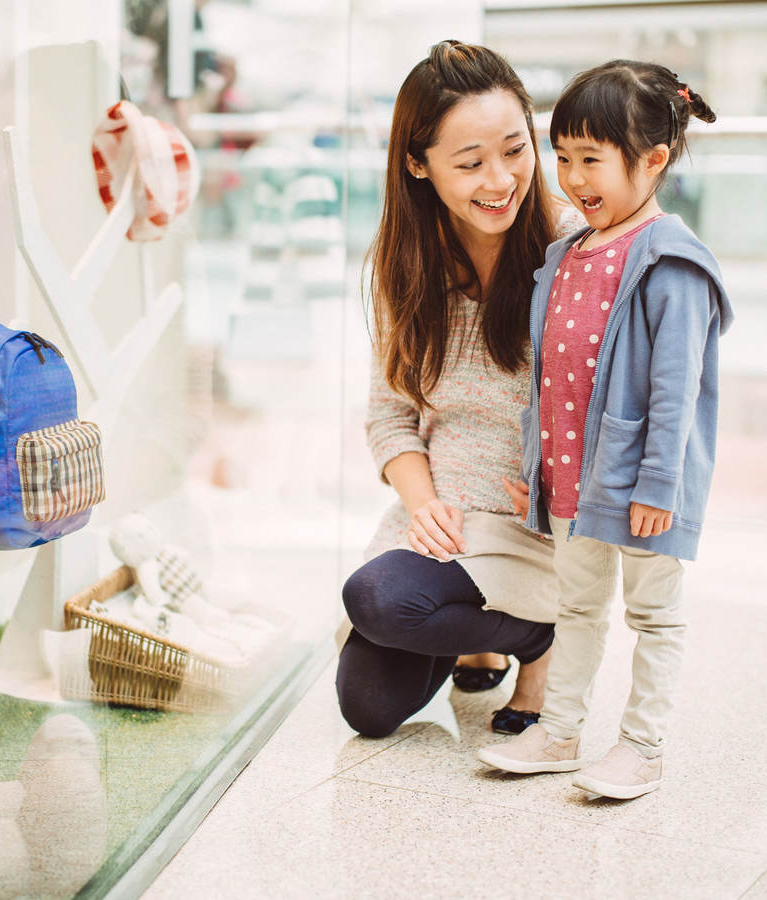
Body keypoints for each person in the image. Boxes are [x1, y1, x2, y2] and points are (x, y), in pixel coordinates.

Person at [476, 60, 732, 799]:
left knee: (654, 612)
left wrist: (659, 483)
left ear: (652, 160)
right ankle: (559, 733)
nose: (572, 177)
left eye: (592, 159)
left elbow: (676, 389)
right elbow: (549, 380)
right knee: (578, 607)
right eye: (562, 158)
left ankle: (643, 747)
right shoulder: (566, 256)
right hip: (571, 481)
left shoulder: (670, 262)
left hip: (640, 483)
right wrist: (538, 463)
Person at [336, 41, 584, 740]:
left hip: (530, 526)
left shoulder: (574, 251)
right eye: (471, 164)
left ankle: (537, 638)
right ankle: (480, 633)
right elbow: (389, 415)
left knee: (375, 597)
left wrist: (558, 488)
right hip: (442, 524)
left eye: (515, 150)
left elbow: (614, 407)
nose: (501, 180)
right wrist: (423, 505)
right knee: (368, 706)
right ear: (418, 165)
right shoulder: (404, 263)